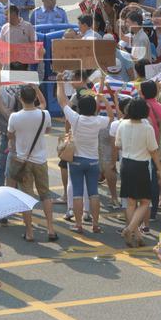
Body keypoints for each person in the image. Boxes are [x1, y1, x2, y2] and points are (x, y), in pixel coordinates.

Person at [4, 83, 58, 242]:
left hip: (23, 160)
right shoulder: (44, 114)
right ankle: (51, 229)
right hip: (40, 160)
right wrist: (36, 88)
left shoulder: (15, 117)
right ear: (34, 97)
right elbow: (47, 130)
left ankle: (29, 232)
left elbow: (10, 135)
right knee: (45, 194)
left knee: (25, 197)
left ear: (20, 98)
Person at [57, 78, 110, 234]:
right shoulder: (99, 120)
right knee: (93, 193)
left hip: (77, 161)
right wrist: (104, 100)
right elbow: (113, 116)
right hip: (93, 161)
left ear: (79, 107)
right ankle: (95, 224)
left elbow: (62, 101)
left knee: (78, 193)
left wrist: (60, 83)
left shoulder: (76, 119)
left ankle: (79, 224)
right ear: (95, 108)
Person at [114, 97, 161, 247]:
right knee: (145, 201)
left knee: (130, 203)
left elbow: (118, 145)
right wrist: (159, 170)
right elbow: (154, 151)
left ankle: (136, 235)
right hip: (141, 166)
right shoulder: (147, 127)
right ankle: (130, 229)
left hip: (126, 164)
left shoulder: (122, 124)